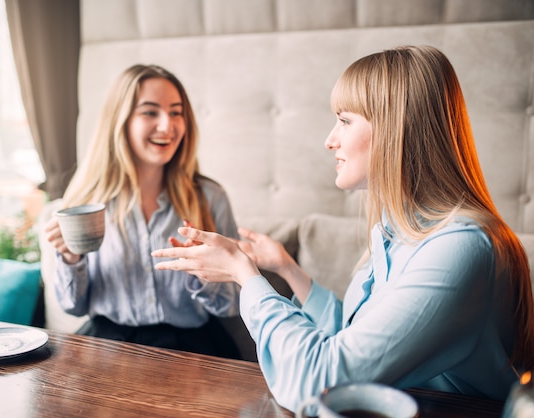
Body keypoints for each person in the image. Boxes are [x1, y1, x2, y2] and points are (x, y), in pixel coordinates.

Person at [152, 45, 534, 411]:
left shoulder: (459, 249)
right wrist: (286, 268)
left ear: (395, 130)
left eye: (345, 121)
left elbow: (320, 379)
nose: (330, 140)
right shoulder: (395, 230)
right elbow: (354, 341)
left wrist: (244, 274)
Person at [44, 64, 241, 359]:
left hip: (191, 349)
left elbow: (231, 305)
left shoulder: (210, 198)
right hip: (107, 346)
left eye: (176, 112)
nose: (167, 125)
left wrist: (202, 272)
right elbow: (73, 306)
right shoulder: (83, 203)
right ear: (119, 121)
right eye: (150, 112)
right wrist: (71, 259)